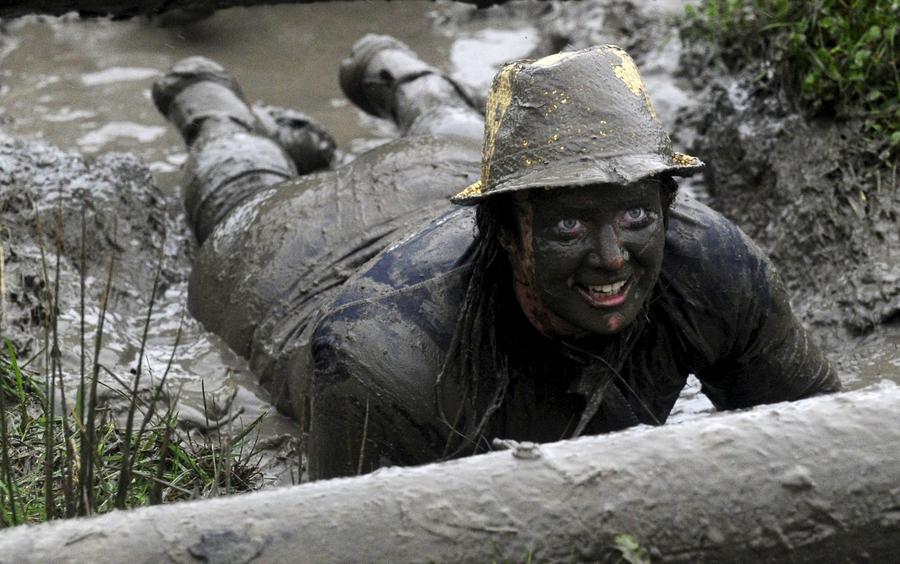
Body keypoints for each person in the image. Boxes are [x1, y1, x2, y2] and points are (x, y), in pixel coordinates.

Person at [153, 37, 840, 481]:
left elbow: (831, 441)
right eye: (572, 226)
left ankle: (389, 67)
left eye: (636, 217)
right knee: (240, 194)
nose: (612, 259)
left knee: (455, 128)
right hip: (302, 259)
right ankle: (207, 101)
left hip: (447, 167)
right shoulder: (380, 360)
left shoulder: (714, 264)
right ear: (507, 230)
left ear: (664, 203)